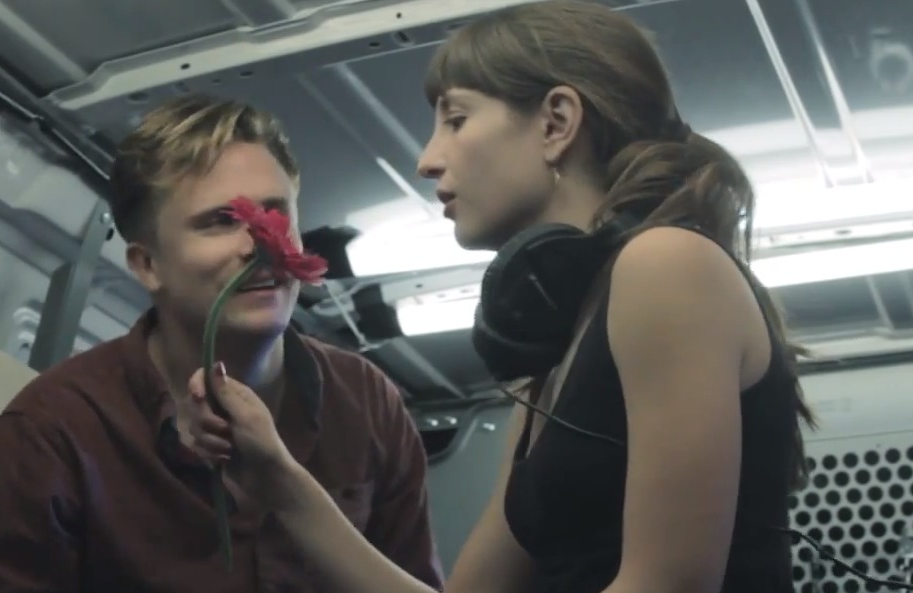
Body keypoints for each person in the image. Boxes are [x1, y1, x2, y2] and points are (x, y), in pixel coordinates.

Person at [184, 2, 816, 593]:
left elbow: (668, 586)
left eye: (455, 120)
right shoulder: (551, 360)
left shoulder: (665, 264)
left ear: (556, 123)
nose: (427, 161)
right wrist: (279, 479)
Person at [0, 95, 444, 593]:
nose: (258, 245)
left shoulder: (368, 403)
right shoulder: (56, 427)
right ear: (148, 265)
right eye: (221, 221)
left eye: (276, 214)